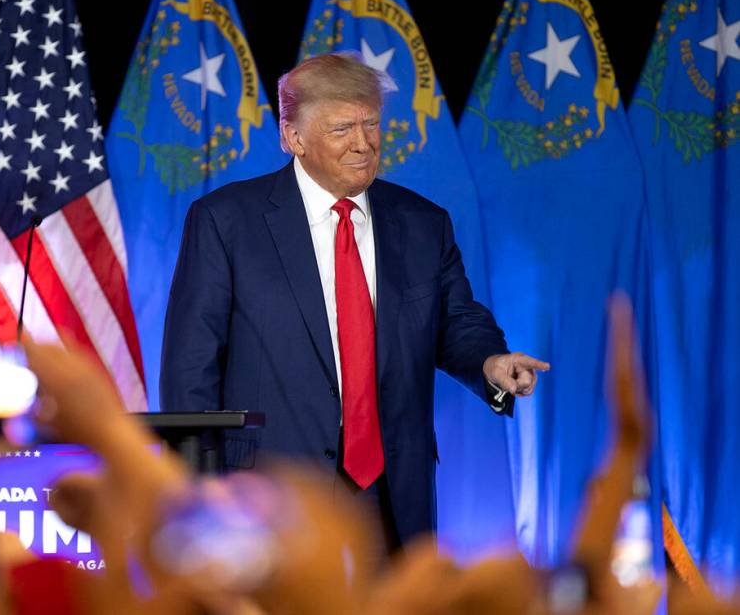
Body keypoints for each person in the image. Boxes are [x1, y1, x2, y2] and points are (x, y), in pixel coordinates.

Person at [160, 52, 549, 547]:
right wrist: (199, 496)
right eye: (342, 128)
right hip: (268, 495)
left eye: (371, 125)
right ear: (292, 137)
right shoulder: (225, 221)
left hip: (393, 491)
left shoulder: (423, 223)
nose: (363, 144)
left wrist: (491, 361)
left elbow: (455, 321)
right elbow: (191, 366)